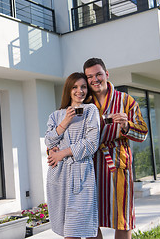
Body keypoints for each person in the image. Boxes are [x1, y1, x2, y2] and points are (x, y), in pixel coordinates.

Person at [83, 58, 148, 239]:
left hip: (118, 164)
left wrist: (127, 125)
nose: (95, 80)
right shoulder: (84, 102)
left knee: (123, 217)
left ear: (106, 74)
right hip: (90, 166)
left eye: (98, 74)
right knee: (90, 219)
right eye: (90, 77)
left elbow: (143, 133)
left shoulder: (126, 101)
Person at [45, 72, 100, 239]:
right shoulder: (56, 115)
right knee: (67, 230)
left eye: (83, 87)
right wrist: (65, 121)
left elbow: (91, 143)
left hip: (81, 175)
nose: (79, 91)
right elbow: (48, 141)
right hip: (59, 176)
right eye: (75, 87)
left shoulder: (90, 110)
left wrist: (62, 153)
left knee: (79, 229)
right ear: (68, 90)